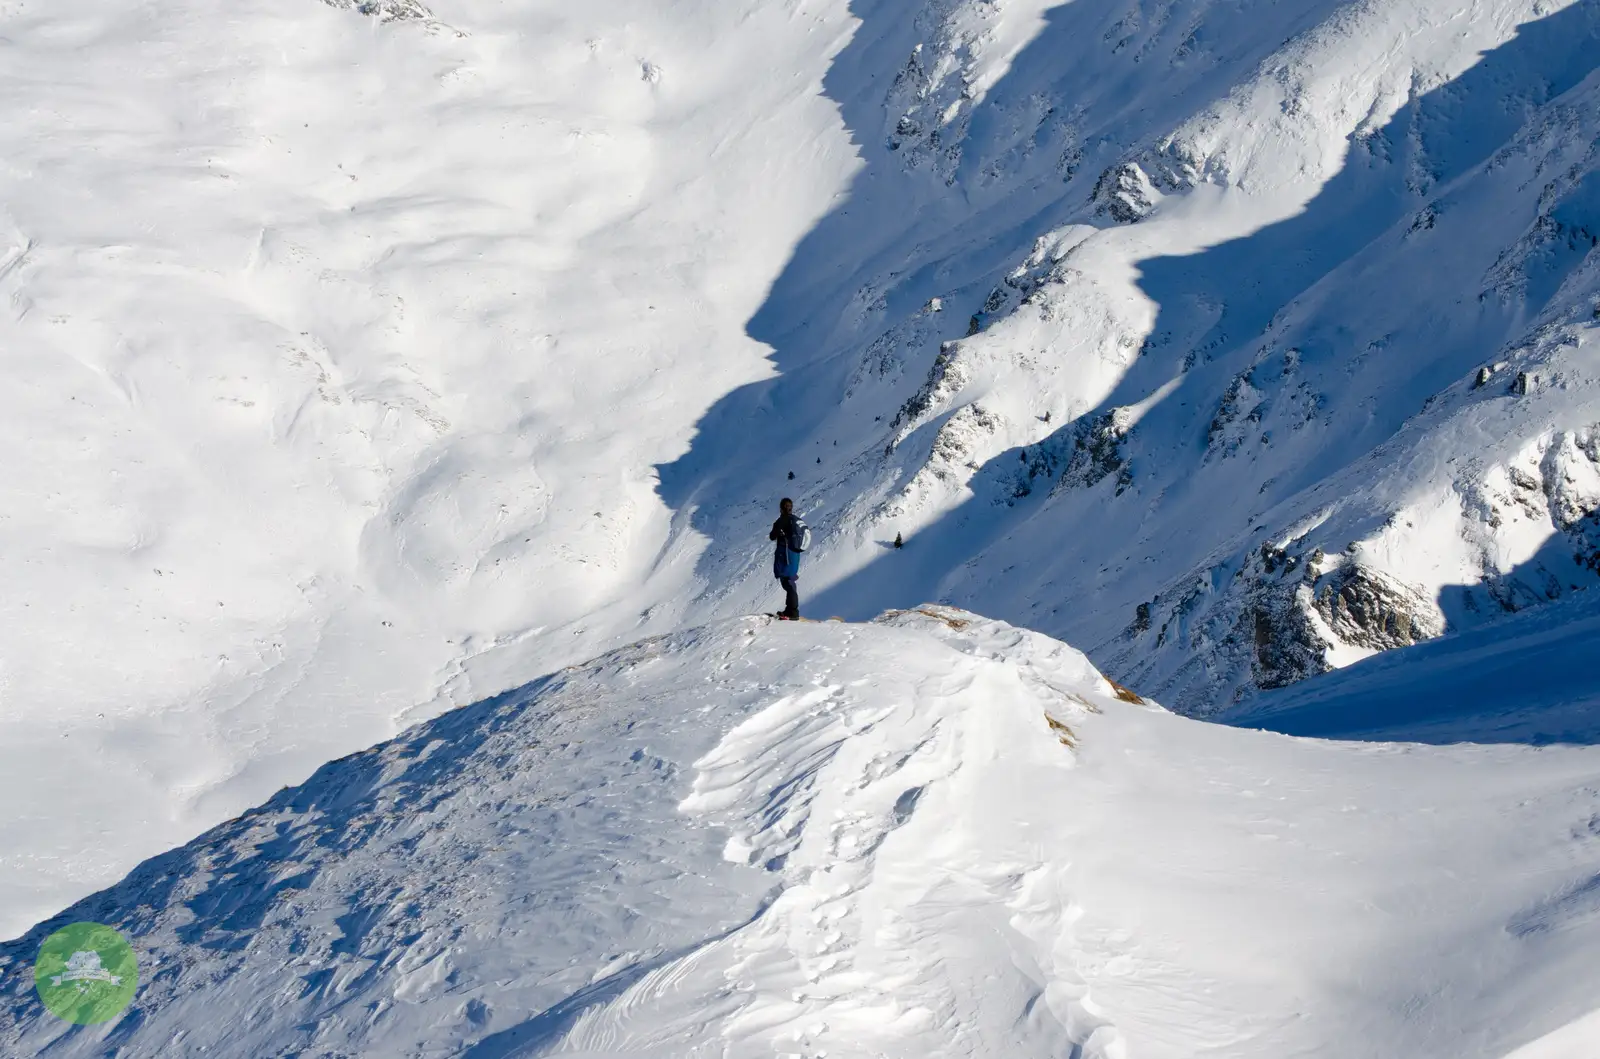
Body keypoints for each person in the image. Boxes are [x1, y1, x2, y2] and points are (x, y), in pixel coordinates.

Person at [769, 498, 803, 620]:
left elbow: (772, 536)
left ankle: (793, 612)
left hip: (785, 556)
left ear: (781, 508)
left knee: (787, 582)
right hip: (794, 555)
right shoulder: (796, 520)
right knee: (790, 581)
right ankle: (790, 610)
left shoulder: (782, 520)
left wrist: (777, 529)